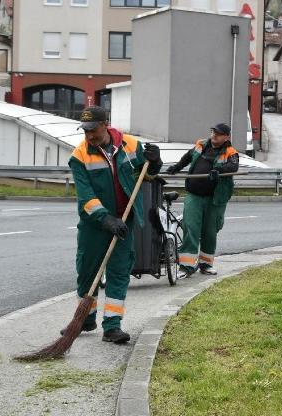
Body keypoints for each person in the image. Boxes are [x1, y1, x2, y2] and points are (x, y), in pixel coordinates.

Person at [67, 106, 162, 344]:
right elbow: (85, 196)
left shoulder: (130, 145)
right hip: (95, 225)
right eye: (85, 130)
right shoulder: (79, 156)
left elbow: (146, 174)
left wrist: (155, 162)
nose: (88, 135)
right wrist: (105, 218)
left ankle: (112, 326)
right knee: (88, 272)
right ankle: (85, 318)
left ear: (105, 124)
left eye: (92, 129)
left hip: (124, 220)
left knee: (119, 272)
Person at [166, 123, 239, 278]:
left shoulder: (230, 152)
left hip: (215, 199)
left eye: (218, 134)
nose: (214, 135)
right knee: (190, 228)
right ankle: (186, 267)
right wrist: (177, 167)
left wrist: (218, 170)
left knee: (210, 232)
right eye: (213, 132)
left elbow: (233, 167)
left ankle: (206, 265)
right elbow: (188, 156)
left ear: (226, 137)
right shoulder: (201, 144)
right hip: (194, 195)